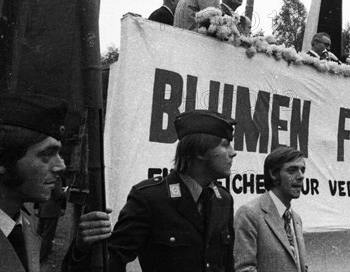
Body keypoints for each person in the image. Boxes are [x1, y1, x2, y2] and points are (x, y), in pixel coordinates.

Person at [65, 109, 238, 272]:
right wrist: (82, 249)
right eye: (225, 145)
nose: (233, 153)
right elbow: (112, 262)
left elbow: (227, 264)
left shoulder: (223, 199)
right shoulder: (150, 198)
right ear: (199, 150)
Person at [0, 93, 68, 272]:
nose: (61, 166)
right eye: (46, 155)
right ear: (1, 161)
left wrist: (81, 252)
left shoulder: (20, 225)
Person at [234, 146, 308, 272]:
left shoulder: (296, 219)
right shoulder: (249, 214)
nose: (300, 176)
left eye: (302, 170)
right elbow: (243, 269)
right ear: (273, 174)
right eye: (292, 170)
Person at [36, 174, 68, 262]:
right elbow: (58, 195)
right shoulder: (56, 178)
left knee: (39, 233)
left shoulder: (45, 174)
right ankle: (40, 257)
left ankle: (37, 254)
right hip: (51, 210)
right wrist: (65, 192)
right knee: (47, 235)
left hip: (43, 208)